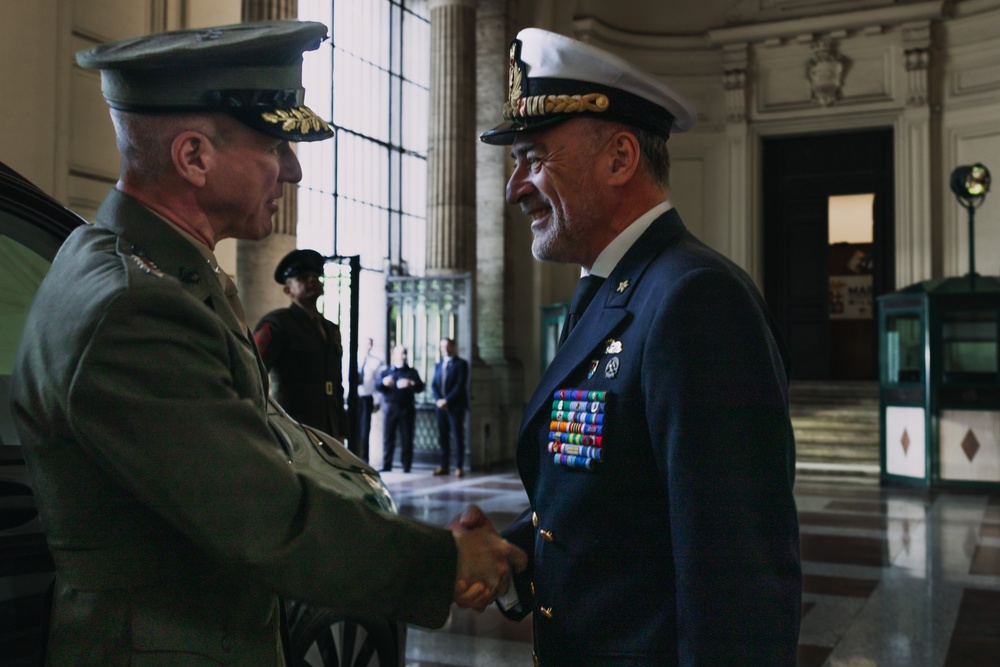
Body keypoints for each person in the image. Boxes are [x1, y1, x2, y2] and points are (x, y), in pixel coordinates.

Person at [10, 21, 524, 666]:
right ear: (194, 157)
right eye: (275, 144)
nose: (294, 169)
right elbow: (265, 522)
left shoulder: (145, 269)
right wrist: (446, 561)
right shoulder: (136, 307)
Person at [476, 28, 801, 665]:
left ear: (621, 158)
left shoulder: (693, 300)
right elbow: (622, 503)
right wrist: (517, 550)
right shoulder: (612, 289)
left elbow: (736, 571)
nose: (515, 188)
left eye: (534, 158)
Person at [254, 248, 347, 439]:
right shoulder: (277, 323)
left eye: (315, 276)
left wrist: (341, 428)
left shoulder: (330, 329)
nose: (312, 279)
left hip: (328, 426)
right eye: (303, 277)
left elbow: (336, 383)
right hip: (294, 425)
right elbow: (252, 371)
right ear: (289, 290)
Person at [377, 344, 424, 472]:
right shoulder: (387, 371)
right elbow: (377, 386)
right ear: (395, 355)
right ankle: (387, 465)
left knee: (407, 437)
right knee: (388, 437)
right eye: (401, 353)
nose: (403, 356)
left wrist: (411, 383)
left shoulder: (411, 372)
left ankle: (406, 465)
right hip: (390, 407)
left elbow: (420, 387)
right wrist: (383, 382)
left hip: (407, 408)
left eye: (405, 353)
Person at [431, 337, 469, 477]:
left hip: (455, 407)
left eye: (447, 346)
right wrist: (438, 400)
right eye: (442, 347)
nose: (445, 349)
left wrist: (447, 400)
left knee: (457, 436)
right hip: (440, 407)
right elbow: (434, 384)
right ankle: (444, 465)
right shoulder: (438, 364)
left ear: (453, 347)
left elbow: (460, 385)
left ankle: (459, 466)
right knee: (443, 437)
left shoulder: (461, 364)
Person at [356, 336, 385, 462]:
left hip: (366, 398)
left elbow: (378, 384)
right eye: (366, 343)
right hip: (354, 398)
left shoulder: (376, 362)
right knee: (353, 428)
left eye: (370, 344)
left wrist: (377, 401)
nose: (368, 346)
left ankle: (364, 458)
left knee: (365, 429)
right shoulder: (351, 359)